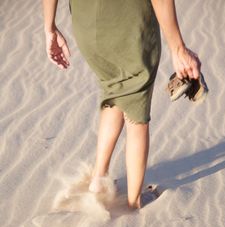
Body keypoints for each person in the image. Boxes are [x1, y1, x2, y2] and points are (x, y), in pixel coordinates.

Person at [42, 0, 201, 209]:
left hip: (87, 27)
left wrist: (49, 27)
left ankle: (99, 180)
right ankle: (134, 201)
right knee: (137, 112)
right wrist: (178, 47)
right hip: (129, 29)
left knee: (114, 88)